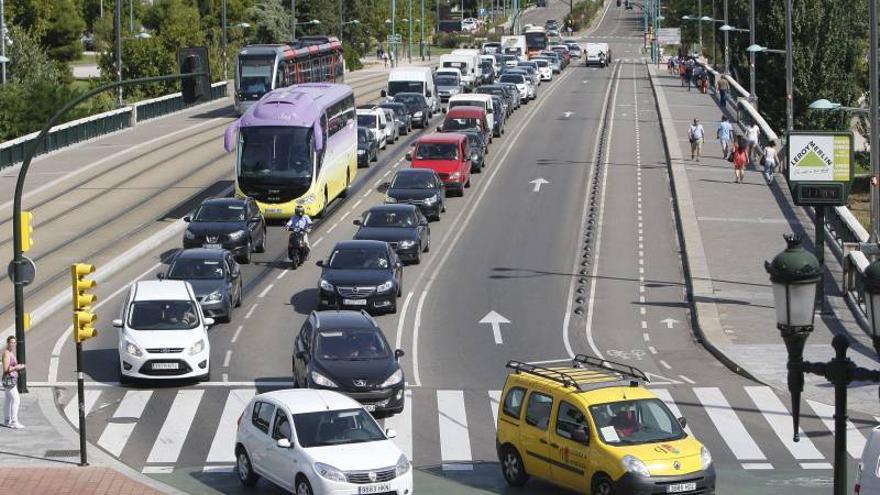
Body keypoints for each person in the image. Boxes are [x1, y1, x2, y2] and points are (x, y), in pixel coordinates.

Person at [3, 336, 24, 429]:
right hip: (9, 379)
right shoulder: (7, 353)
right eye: (11, 342)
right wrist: (17, 367)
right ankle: (14, 421)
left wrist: (18, 366)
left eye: (14, 342)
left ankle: (7, 420)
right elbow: (6, 369)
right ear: (7, 343)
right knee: (16, 399)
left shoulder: (10, 352)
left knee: (8, 399)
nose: (13, 344)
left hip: (10, 379)